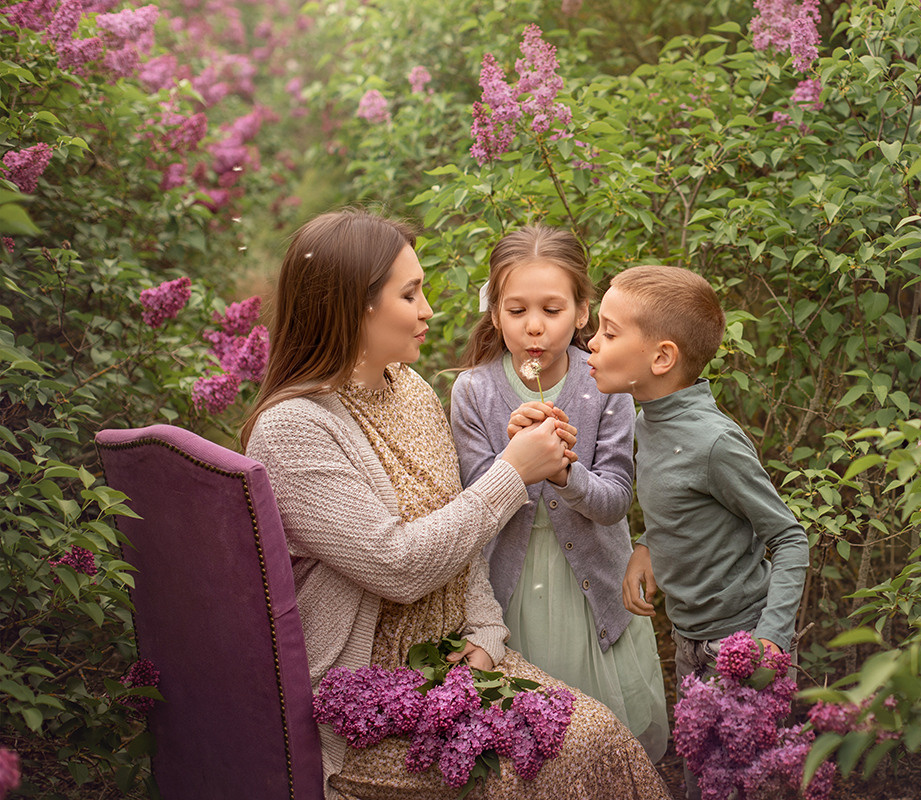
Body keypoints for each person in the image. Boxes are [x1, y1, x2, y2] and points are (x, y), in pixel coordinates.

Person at [242, 210, 671, 800]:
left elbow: (461, 531)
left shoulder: (409, 387)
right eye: (410, 293)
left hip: (462, 657)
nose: (429, 310)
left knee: (603, 740)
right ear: (353, 306)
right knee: (565, 759)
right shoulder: (294, 429)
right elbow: (396, 565)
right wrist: (514, 470)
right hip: (373, 690)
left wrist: (488, 632)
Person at [586, 264, 809, 800]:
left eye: (609, 332)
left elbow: (790, 538)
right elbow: (684, 511)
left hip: (743, 644)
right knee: (699, 780)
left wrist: (770, 640)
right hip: (690, 641)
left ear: (662, 358)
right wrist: (646, 544)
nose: (591, 342)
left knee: (749, 786)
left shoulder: (714, 444)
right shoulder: (647, 422)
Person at [450, 224, 668, 762]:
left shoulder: (605, 388)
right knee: (533, 745)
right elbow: (477, 510)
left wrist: (563, 473)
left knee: (607, 743)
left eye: (551, 309)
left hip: (594, 582)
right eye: (517, 310)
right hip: (515, 587)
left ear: (582, 310)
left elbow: (616, 500)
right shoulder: (473, 391)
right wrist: (515, 463)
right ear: (495, 313)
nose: (534, 328)